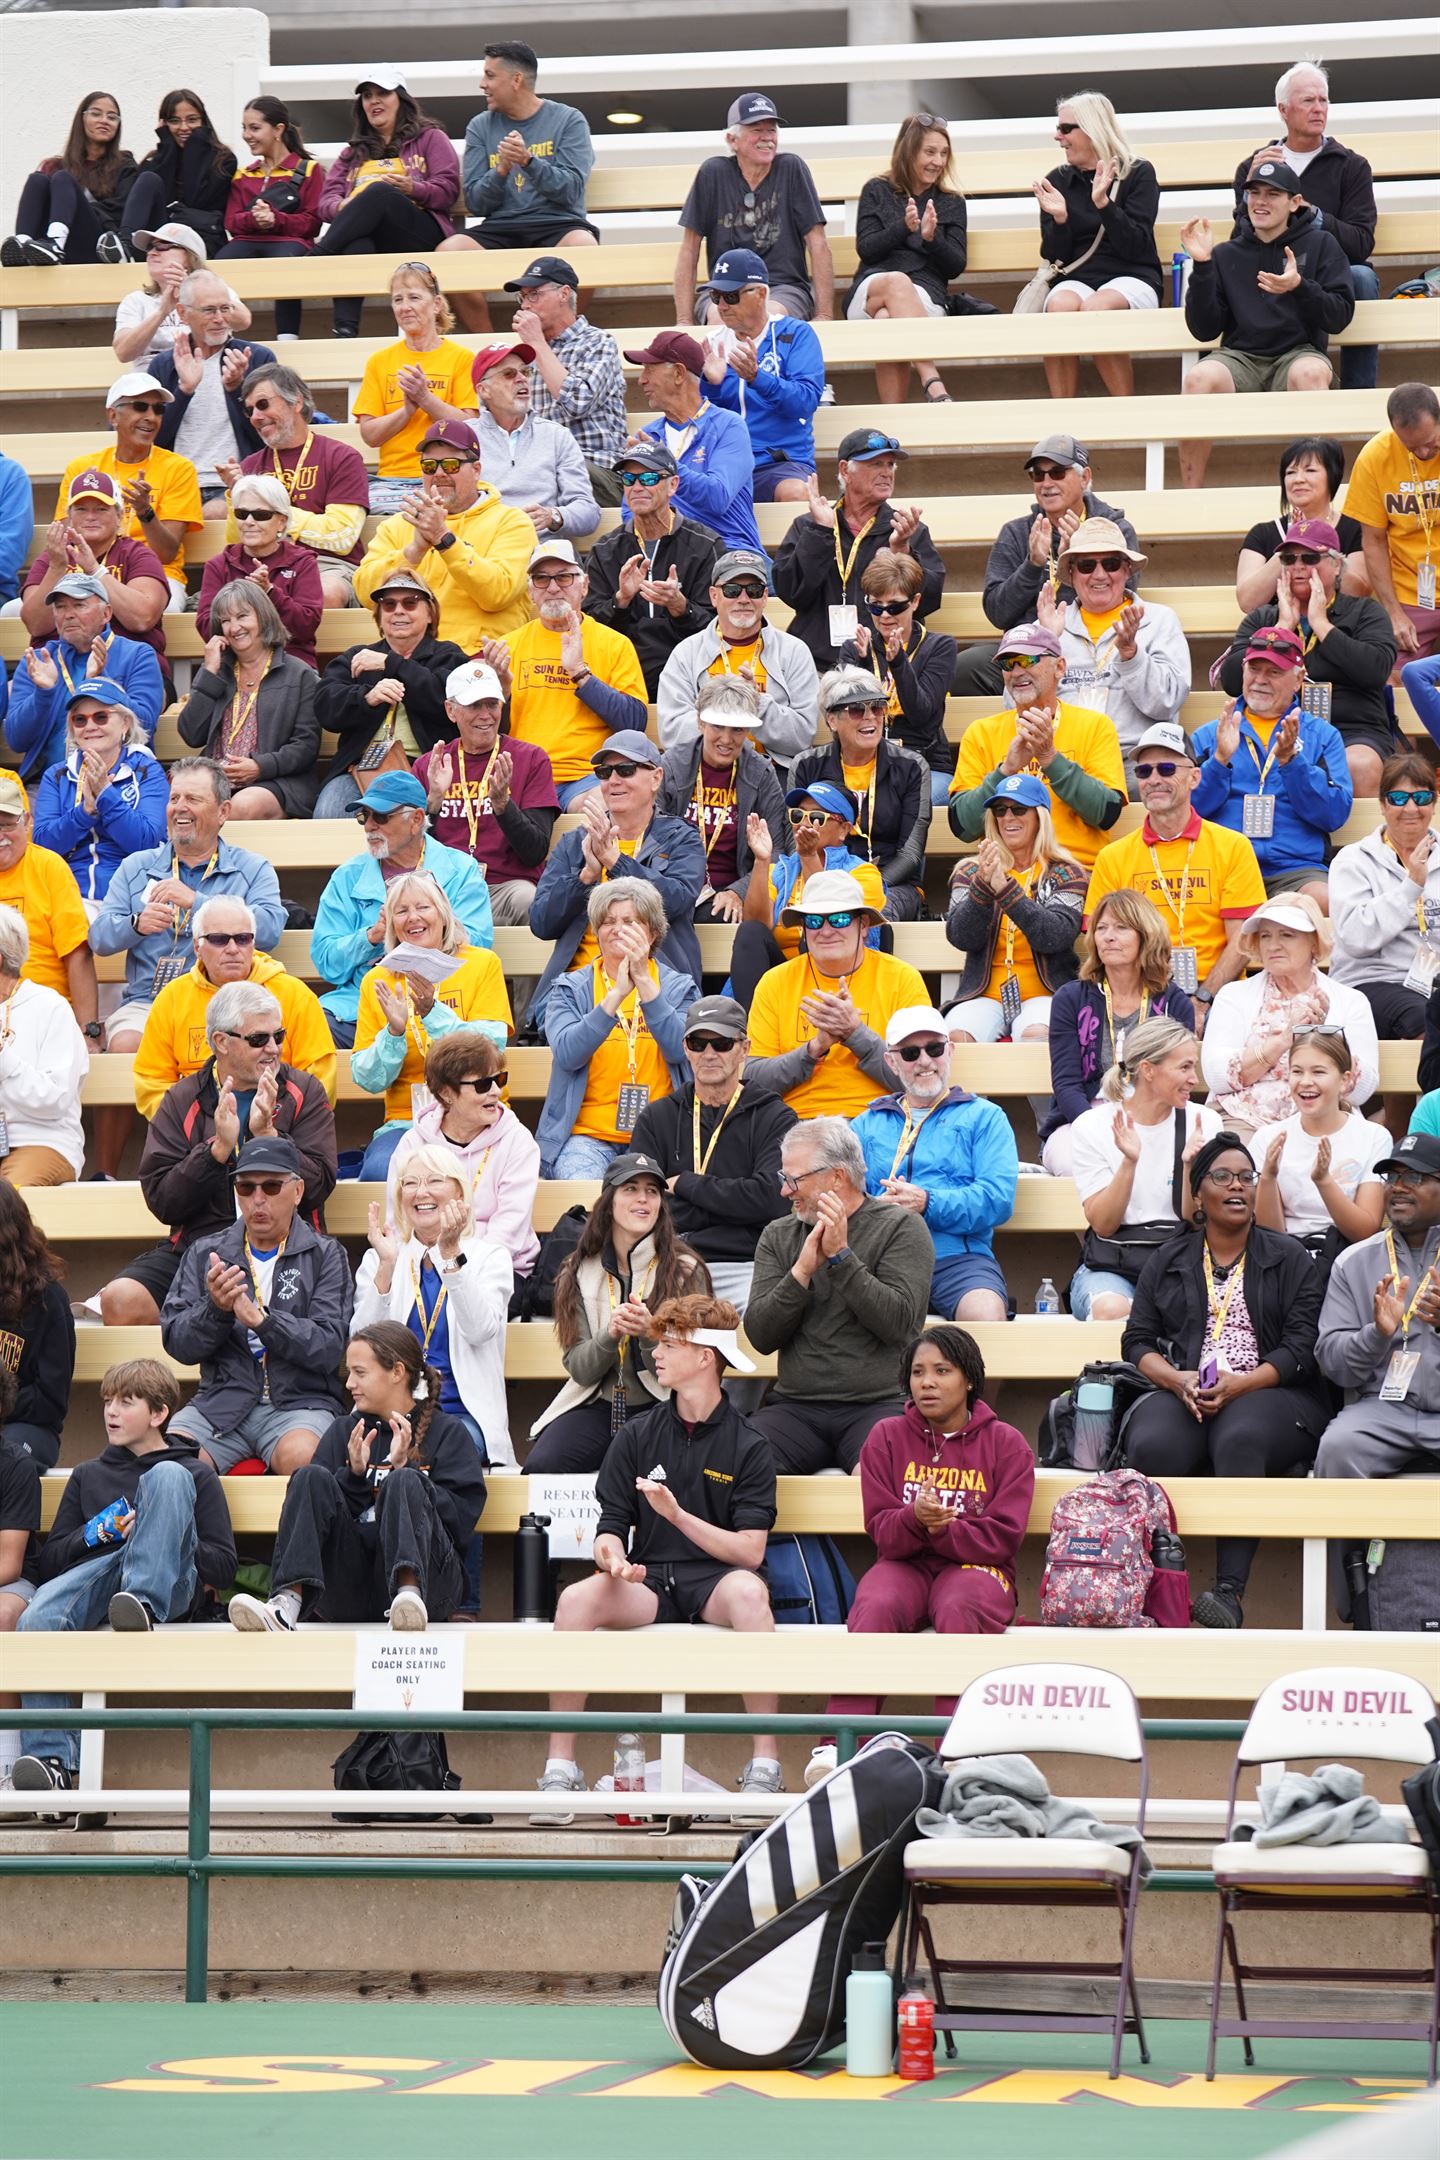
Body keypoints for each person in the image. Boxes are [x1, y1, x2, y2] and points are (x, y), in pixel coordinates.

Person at [534, 1292, 779, 1822]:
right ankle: (560, 1768)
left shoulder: (750, 1444)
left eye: (670, 1344)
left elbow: (749, 1550)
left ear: (706, 1357)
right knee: (575, 1600)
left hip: (718, 1583)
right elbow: (609, 1527)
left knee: (750, 1594)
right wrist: (613, 1560)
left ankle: (765, 1764)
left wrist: (677, 1516)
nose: (657, 1354)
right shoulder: (637, 1433)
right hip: (650, 1583)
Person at [804, 1324, 1035, 1775]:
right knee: (876, 1601)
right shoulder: (886, 1436)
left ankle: (960, 1749)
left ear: (969, 1379)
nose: (927, 1382)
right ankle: (840, 1748)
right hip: (904, 1563)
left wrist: (940, 1528)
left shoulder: (1006, 1444)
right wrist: (915, 1519)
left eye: (942, 1371)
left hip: (977, 1567)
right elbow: (882, 1530)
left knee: (960, 1603)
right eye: (918, 1372)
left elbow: (1003, 1537)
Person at [1123, 1132, 1332, 1628]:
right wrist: (1176, 1380)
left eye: (1245, 1177)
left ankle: (1228, 1593)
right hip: (1188, 1388)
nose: (1237, 1186)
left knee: (1240, 1436)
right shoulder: (1169, 1259)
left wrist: (1242, 1384)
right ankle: (1158, 1583)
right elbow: (1136, 1341)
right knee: (1151, 1443)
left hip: (1273, 1389)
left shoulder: (1289, 1257)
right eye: (1222, 1177)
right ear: (1198, 1194)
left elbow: (1303, 1347)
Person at [11, 1359, 236, 1802]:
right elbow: (50, 1563)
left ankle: (142, 1602)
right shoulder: (88, 1474)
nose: (111, 1411)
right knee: (36, 1618)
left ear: (159, 1413)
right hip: (103, 1583)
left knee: (166, 1477)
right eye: (107, 1401)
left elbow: (224, 1567)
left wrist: (166, 1531)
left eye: (126, 1402)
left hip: (172, 1587)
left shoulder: (194, 1472)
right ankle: (53, 1763)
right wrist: (94, 1533)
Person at [101, 977, 336, 1329]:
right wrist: (216, 1152)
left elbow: (319, 1186)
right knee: (121, 1300)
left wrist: (270, 1136)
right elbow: (163, 1201)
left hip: (288, 1245)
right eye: (258, 1039)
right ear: (221, 1042)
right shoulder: (182, 1098)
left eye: (278, 1036)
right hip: (201, 1246)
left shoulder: (304, 1091)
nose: (273, 1048)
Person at [228, 1321, 485, 1632]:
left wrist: (407, 1470)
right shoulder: (344, 1430)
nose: (349, 1383)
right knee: (309, 1477)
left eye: (360, 1373)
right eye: (349, 1372)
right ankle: (285, 1604)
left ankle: (408, 1596)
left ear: (397, 1372)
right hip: (351, 1588)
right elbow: (319, 1517)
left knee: (403, 1480)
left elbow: (461, 1521)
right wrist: (353, 1476)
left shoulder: (447, 1432)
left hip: (432, 1587)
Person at [746, 1115, 933, 1474]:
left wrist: (841, 1258)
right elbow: (760, 1336)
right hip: (795, 1407)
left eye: (794, 1179)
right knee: (743, 1466)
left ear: (836, 1177)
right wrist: (801, 1273)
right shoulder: (778, 1234)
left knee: (879, 1474)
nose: (785, 1191)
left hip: (880, 1404)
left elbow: (900, 1327)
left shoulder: (901, 1227)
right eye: (784, 1178)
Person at [161, 1135, 353, 1476]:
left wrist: (265, 1323)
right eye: (246, 1187)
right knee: (170, 1463)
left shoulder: (325, 1254)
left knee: (303, 1459)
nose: (258, 1199)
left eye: (272, 1186)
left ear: (297, 1191)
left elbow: (328, 1347)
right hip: (220, 1403)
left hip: (299, 1405)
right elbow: (177, 1342)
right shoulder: (206, 1252)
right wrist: (215, 1310)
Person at [89, 755, 284, 1061]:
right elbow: (99, 938)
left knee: (234, 1044)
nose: (180, 807)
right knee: (126, 1045)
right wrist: (136, 924)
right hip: (150, 1000)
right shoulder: (136, 866)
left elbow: (270, 929)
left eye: (193, 799)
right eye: (174, 798)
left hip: (227, 999)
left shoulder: (252, 868)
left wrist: (198, 903)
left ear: (223, 811)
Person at [526, 1156, 711, 1472]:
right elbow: (581, 1369)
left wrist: (649, 1334)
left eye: (652, 1191)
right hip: (599, 1405)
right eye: (631, 1188)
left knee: (658, 1475)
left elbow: (694, 1368)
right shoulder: (578, 1269)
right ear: (609, 1202)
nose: (643, 1198)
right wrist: (609, 1335)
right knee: (542, 1467)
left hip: (665, 1406)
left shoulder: (685, 1270)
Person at [1179, 163, 1354, 490]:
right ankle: (1191, 495)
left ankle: (1324, 496)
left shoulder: (1321, 243)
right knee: (1198, 378)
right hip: (1240, 358)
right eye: (1254, 193)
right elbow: (1204, 330)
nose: (1260, 201)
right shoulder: (1225, 253)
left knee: (1311, 374)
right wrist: (1202, 267)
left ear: (1295, 202)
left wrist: (1299, 286)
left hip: (1298, 353)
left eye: (1273, 194)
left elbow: (1340, 315)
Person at [1084, 721, 1268, 1020]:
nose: (1154, 779)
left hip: (1218, 993)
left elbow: (1242, 940)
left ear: (1194, 777)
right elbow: (1105, 943)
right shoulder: (1112, 857)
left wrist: (1203, 999)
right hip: (1140, 994)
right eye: (1144, 771)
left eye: (1167, 769)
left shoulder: (1233, 846)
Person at [631, 993, 797, 1312]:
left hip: (747, 1264)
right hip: (672, 1260)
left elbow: (772, 1200)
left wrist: (685, 1185)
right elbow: (641, 1205)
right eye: (698, 1043)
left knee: (770, 1315)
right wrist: (733, 1206)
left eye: (721, 1043)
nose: (709, 1054)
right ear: (685, 1048)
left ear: (744, 1048)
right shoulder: (656, 1118)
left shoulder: (775, 1117)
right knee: (636, 1312)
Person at [853, 1009, 1018, 1322]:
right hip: (878, 1259)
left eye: (935, 1048)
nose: (925, 1061)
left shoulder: (985, 1117)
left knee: (985, 1313)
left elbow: (997, 1199)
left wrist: (927, 1202)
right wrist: (874, 1210)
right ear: (891, 1061)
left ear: (950, 1051)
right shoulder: (865, 1124)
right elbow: (844, 1197)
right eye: (910, 1053)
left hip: (957, 1259)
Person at [312, 770, 494, 1050]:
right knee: (313, 1025)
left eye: (380, 816)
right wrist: (372, 937)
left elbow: (476, 945)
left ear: (417, 820)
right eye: (363, 816)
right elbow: (326, 962)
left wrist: (425, 927)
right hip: (365, 1003)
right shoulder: (347, 876)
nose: (369, 826)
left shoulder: (461, 870)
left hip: (447, 1000)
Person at [355, 1152, 514, 1471]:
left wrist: (451, 1255)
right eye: (410, 1183)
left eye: (434, 1181)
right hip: (388, 1414)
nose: (421, 1192)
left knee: (431, 1454)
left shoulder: (490, 1257)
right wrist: (386, 1268)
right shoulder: (381, 1258)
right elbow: (360, 1346)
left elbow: (480, 1330)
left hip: (461, 1418)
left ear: (459, 1192)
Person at [951, 434, 1142, 699]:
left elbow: (1117, 596)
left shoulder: (1114, 529)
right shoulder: (1017, 532)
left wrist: (1076, 559)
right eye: (1038, 475)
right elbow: (997, 613)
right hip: (1026, 653)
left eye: (1058, 473)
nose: (1047, 483)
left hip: (1091, 647)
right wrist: (1032, 566)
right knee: (963, 668)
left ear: (1085, 477)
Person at [528, 735, 704, 1020]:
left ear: (656, 778)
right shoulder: (574, 844)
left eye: (626, 770)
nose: (613, 780)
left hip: (654, 984)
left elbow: (677, 900)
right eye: (604, 772)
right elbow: (541, 923)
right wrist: (585, 877)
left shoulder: (681, 838)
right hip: (582, 989)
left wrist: (615, 861)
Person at [351, 871, 511, 1183]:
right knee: (379, 1172)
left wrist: (432, 1013)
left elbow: (492, 1048)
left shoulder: (482, 964)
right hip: (406, 1122)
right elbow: (367, 1078)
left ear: (442, 914)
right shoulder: (377, 980)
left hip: (477, 1114)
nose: (413, 918)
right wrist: (394, 1034)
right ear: (392, 924)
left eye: (423, 907)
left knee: (483, 1173)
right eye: (401, 911)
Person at [1233, 61, 1379, 392]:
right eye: (1308, 100)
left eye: (1324, 100)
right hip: (1269, 264)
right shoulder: (1253, 167)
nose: (1319, 108)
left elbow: (1361, 243)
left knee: (1361, 277)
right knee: (1221, 273)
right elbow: (1240, 240)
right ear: (1283, 110)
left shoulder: (1352, 166)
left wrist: (1312, 214)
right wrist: (1250, 194)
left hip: (1328, 268)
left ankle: (1358, 393)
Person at [1220, 518, 1397, 792]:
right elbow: (1232, 680)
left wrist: (1321, 625)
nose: (1298, 566)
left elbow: (1375, 670)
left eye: (1310, 557)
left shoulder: (1364, 612)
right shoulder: (1264, 619)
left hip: (1351, 729)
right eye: (1289, 559)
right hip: (1274, 727)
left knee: (1359, 765)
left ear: (1336, 565)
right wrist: (1281, 629)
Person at [537, 882, 697, 1180]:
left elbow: (682, 1049)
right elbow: (568, 1054)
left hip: (662, 1136)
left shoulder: (679, 987)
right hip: (588, 1137)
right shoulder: (569, 989)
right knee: (582, 1196)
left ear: (652, 933)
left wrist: (644, 983)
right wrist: (615, 997)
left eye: (629, 922)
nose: (617, 929)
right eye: (608, 922)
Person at [440, 42, 598, 336]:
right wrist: (501, 170)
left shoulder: (568, 119)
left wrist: (528, 161)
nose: (482, 84)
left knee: (585, 248)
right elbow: (476, 202)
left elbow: (571, 190)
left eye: (490, 75)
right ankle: (491, 346)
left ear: (516, 80)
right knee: (448, 251)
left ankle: (564, 337)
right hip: (501, 227)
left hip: (557, 224)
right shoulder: (480, 126)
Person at [131, 893, 335, 1121]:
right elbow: (151, 1082)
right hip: (197, 1128)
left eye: (242, 938)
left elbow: (320, 1079)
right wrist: (196, 1127)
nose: (232, 948)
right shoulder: (172, 999)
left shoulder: (294, 994)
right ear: (197, 947)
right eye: (219, 939)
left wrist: (273, 1123)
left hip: (279, 1124)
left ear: (253, 943)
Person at [1069, 1016, 1219, 1321]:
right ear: (1148, 1070)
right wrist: (1129, 1162)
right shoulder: (1092, 1125)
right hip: (1111, 1266)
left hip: (1181, 1263)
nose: (1194, 1079)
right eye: (1184, 1067)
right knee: (1111, 1310)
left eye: (1194, 1067)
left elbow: (1197, 1221)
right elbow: (1103, 1224)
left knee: (1191, 1309)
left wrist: (1189, 1166)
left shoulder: (1204, 1122)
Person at [1189, 624, 1352, 905]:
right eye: (1254, 669)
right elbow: (1187, 810)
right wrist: (1219, 762)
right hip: (1225, 866)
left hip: (1295, 870)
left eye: (1274, 672)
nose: (1260, 680)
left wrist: (1293, 763)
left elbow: (1333, 814)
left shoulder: (1323, 736)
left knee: (1326, 902)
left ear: (1298, 679)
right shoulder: (1210, 735)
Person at [745, 869, 927, 1117]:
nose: (826, 930)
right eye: (814, 921)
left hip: (879, 1119)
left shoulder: (902, 979)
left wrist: (855, 1033)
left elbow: (920, 1078)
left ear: (864, 925)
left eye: (839, 919)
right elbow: (753, 1081)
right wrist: (815, 1048)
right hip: (795, 1122)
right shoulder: (774, 982)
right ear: (804, 929)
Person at [1313, 1129, 1440, 1477]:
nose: (1398, 1187)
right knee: (1338, 1448)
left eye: (1414, 1177)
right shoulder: (1353, 1261)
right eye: (1392, 1178)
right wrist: (1376, 1335)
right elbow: (1334, 1364)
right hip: (1383, 1411)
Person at [1042, 889, 1195, 1176]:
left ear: (1146, 936)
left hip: (1154, 1117)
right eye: (1101, 928)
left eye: (1121, 927)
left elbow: (1176, 1078)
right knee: (1078, 1165)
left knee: (1163, 1166)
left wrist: (1142, 1124)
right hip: (1082, 1120)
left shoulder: (1174, 1002)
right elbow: (1066, 1084)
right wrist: (1095, 1129)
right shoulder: (1071, 998)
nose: (1108, 937)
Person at [1201, 895, 1379, 1141]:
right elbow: (1217, 1076)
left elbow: (1361, 1091)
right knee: (1235, 1157)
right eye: (1265, 936)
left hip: (1323, 1120)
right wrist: (1284, 1040)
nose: (1273, 945)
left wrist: (1325, 1036)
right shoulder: (1233, 995)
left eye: (1286, 935)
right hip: (1242, 1118)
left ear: (1314, 942)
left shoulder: (1351, 1000)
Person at [947, 623, 1125, 869]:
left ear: (1059, 667)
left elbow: (1105, 813)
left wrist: (1050, 759)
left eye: (1028, 660)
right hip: (1004, 871)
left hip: (1072, 868)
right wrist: (1005, 771)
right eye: (1008, 663)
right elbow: (963, 826)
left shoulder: (1094, 726)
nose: (1017, 671)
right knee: (963, 878)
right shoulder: (981, 732)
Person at [353, 417, 535, 652]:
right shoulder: (398, 525)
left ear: (476, 470)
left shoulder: (512, 521)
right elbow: (365, 594)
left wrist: (444, 539)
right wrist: (413, 552)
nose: (439, 473)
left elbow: (497, 594)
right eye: (430, 466)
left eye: (451, 465)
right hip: (407, 656)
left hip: (477, 656)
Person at [771, 429, 945, 668]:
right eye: (876, 464)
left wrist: (902, 552)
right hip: (819, 666)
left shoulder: (906, 529)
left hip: (886, 665)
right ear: (845, 470)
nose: (886, 472)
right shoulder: (810, 526)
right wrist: (821, 533)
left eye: (890, 465)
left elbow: (929, 600)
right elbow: (792, 592)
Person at [494, 540, 648, 804]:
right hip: (521, 777)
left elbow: (634, 722)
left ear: (584, 585)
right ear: (530, 591)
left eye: (564, 577)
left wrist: (580, 674)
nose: (553, 587)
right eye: (541, 579)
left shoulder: (614, 644)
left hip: (585, 778)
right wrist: (503, 692)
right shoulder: (506, 647)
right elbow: (486, 731)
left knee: (603, 807)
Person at [1033, 90, 1162, 400]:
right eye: (1058, 128)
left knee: (1096, 308)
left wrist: (1104, 205)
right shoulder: (1057, 180)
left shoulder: (1138, 173)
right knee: (1059, 307)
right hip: (1078, 278)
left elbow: (1136, 247)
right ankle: (1063, 416)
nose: (1058, 137)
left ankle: (1125, 408)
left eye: (1066, 129)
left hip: (1132, 275)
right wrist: (1060, 220)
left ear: (1092, 130)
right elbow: (1055, 256)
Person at [1037, 521, 1192, 778]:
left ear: (1127, 570)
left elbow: (1167, 702)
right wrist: (1046, 648)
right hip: (1063, 761)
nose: (1099, 575)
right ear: (1072, 573)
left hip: (1134, 763)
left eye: (1111, 564)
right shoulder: (1046, 627)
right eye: (1087, 566)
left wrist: (1132, 655)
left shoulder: (1160, 620)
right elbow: (1017, 709)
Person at [312, 73, 460, 339]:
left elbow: (448, 189)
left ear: (401, 98)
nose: (374, 101)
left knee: (379, 191)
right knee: (357, 244)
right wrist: (344, 205)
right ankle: (345, 330)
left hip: (418, 233)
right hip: (371, 236)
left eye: (383, 93)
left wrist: (413, 188)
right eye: (367, 96)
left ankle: (316, 257)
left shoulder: (430, 137)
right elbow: (325, 204)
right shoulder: (352, 153)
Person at [412, 659, 559, 925]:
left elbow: (535, 851)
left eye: (492, 704)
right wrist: (433, 803)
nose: (486, 715)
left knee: (528, 900)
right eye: (474, 705)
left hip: (505, 887)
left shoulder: (531, 758)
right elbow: (411, 853)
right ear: (451, 710)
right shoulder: (429, 765)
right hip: (444, 889)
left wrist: (503, 806)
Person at [313, 570, 468, 821]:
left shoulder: (448, 656)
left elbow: (445, 701)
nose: (398, 611)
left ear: (430, 614)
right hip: (361, 769)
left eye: (410, 603)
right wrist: (367, 698)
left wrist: (391, 664)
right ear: (379, 615)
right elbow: (325, 705)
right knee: (329, 810)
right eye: (389, 604)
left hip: (426, 770)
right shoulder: (358, 656)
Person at [945, 775, 1087, 1045]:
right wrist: (983, 887)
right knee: (957, 1038)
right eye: (1000, 810)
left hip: (1046, 994)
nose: (1008, 817)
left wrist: (1005, 891)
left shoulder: (1067, 873)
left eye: (1019, 809)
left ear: (1039, 817)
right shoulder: (971, 871)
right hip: (984, 996)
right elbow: (961, 937)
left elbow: (1055, 936)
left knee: (1037, 1036)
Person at [389, 1032, 542, 1285]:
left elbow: (508, 1230)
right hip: (425, 1269)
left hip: (497, 1270)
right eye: (483, 1085)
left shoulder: (518, 1140)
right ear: (446, 1093)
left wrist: (459, 1270)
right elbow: (398, 1221)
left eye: (499, 1080)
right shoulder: (413, 1143)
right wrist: (434, 1266)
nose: (496, 1091)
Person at [676, 91, 833, 325]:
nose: (767, 137)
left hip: (782, 288)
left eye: (772, 130)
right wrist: (684, 321)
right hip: (724, 288)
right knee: (720, 318)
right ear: (732, 140)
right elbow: (689, 248)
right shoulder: (713, 172)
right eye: (757, 130)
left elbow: (818, 243)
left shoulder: (791, 168)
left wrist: (824, 315)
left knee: (767, 317)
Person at [848, 115, 971, 405]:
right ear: (909, 151)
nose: (938, 161)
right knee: (896, 282)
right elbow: (867, 250)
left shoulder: (952, 202)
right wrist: (904, 227)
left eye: (944, 153)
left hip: (925, 299)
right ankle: (931, 378)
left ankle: (893, 418)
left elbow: (955, 266)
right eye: (930, 152)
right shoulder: (876, 190)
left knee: (886, 318)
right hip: (870, 292)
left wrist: (932, 238)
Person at [656, 548, 819, 764]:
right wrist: (729, 715)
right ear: (714, 596)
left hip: (773, 769)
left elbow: (802, 736)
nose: (743, 599)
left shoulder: (794, 651)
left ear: (765, 596)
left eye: (753, 590)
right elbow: (672, 732)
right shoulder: (686, 653)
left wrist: (758, 703)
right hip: (705, 771)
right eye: (732, 590)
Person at [790, 669, 931, 918]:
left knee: (875, 911)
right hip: (819, 874)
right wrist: (828, 885)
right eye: (856, 710)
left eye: (877, 708)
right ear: (832, 720)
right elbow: (794, 841)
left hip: (890, 881)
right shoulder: (806, 766)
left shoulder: (911, 767)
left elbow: (910, 853)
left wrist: (866, 887)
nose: (870, 717)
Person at [176, 577, 320, 819]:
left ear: (263, 616)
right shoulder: (217, 671)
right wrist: (209, 672)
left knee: (239, 807)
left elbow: (305, 746)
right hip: (216, 780)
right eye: (225, 621)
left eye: (242, 616)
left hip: (277, 781)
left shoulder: (299, 674)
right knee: (176, 805)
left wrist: (260, 767)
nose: (234, 628)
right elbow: (191, 734)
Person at [731, 779, 885, 1006]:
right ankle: (752, 1023)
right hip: (780, 975)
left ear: (843, 830)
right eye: (798, 815)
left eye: (816, 817)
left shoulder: (863, 873)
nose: (804, 823)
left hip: (838, 975)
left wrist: (809, 857)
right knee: (749, 932)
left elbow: (828, 920)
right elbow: (756, 923)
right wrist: (762, 861)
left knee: (814, 928)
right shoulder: (780, 870)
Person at [56, 372, 203, 607]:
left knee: (167, 608)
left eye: (158, 409)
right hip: (87, 569)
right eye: (140, 407)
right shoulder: (82, 468)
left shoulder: (178, 468)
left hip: (153, 573)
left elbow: (166, 553)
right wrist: (87, 507)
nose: (151, 417)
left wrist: (145, 511)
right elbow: (67, 540)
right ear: (113, 415)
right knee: (12, 610)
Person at [584, 446, 722, 693]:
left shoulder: (705, 544)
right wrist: (620, 602)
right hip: (621, 676)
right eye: (629, 479)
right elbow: (589, 628)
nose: (637, 487)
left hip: (690, 674)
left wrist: (681, 607)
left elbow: (720, 628)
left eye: (648, 478)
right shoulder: (605, 550)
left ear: (672, 485)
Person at [231, 362, 371, 607]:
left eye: (263, 404)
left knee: (322, 594)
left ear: (296, 402)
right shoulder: (249, 465)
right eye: (249, 410)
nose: (255, 417)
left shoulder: (341, 457)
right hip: (263, 565)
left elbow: (342, 537)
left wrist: (273, 515)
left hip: (326, 565)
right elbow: (236, 542)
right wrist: (231, 495)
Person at [5, 569, 164, 784]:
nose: (68, 614)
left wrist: (102, 681)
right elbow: (16, 740)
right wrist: (43, 694)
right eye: (60, 607)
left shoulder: (137, 654)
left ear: (106, 613)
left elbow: (144, 726)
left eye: (79, 605)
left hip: (120, 779)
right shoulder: (38, 660)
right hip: (49, 784)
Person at [352, 261, 480, 518]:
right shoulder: (379, 361)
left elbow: (471, 428)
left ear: (436, 304)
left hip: (447, 476)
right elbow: (370, 435)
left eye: (414, 297)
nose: (405, 307)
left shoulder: (462, 358)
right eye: (397, 299)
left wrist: (424, 398)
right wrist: (407, 411)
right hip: (391, 481)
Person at [1329, 751, 1440, 1046]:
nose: (1411, 808)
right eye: (1399, 798)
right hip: (1370, 981)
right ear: (1382, 804)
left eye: (1422, 797)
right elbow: (1356, 938)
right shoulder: (1353, 860)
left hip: (1433, 982)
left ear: (1434, 803)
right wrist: (1411, 886)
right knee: (1425, 1018)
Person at [658, 678, 789, 926]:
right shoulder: (672, 766)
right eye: (718, 726)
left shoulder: (761, 773)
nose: (727, 739)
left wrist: (739, 891)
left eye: (737, 729)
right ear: (700, 722)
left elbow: (777, 852)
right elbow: (651, 839)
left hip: (732, 888)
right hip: (675, 883)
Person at [624, 332, 765, 558]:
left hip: (729, 552)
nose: (641, 380)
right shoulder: (648, 435)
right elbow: (629, 511)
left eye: (649, 370)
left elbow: (717, 498)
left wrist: (665, 465)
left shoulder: (728, 425)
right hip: (667, 554)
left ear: (679, 374)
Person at [699, 249, 824, 502]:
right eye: (716, 296)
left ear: (761, 294)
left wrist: (757, 378)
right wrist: (712, 387)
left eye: (731, 296)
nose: (722, 306)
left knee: (796, 494)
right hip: (725, 464)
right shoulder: (712, 343)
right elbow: (700, 422)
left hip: (778, 463)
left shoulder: (796, 334)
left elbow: (805, 402)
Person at [21, 470, 169, 681]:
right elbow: (35, 625)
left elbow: (142, 619)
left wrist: (95, 570)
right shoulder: (53, 557)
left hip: (127, 670)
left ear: (119, 516)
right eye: (81, 509)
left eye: (101, 509)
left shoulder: (138, 554)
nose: (90, 517)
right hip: (57, 670)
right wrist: (56, 568)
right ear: (69, 517)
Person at [149, 272, 277, 514]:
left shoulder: (258, 358)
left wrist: (236, 389)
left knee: (214, 513)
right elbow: (155, 438)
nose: (219, 319)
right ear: (183, 313)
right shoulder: (164, 365)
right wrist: (184, 390)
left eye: (225, 309)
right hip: (176, 485)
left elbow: (269, 436)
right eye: (209, 310)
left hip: (237, 483)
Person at [32, 680, 167, 908]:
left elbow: (147, 842)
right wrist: (85, 812)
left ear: (125, 723)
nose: (90, 726)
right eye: (80, 719)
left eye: (101, 717)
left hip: (133, 894)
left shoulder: (146, 770)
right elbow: (44, 846)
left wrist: (106, 795)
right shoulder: (57, 775)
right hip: (70, 894)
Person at [1253, 1029, 1389, 1252]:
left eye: (1318, 1072)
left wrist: (1323, 1180)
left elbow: (1365, 1232)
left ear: (1345, 1080)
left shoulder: (1374, 1137)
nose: (1305, 1082)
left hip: (1346, 1255)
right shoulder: (1267, 1138)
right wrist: (1268, 1177)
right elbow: (1270, 1239)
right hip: (1287, 1257)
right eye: (1297, 1072)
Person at [840, 549, 957, 801]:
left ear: (915, 602)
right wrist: (862, 666)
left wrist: (899, 664)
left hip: (925, 764)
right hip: (865, 763)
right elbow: (847, 718)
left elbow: (921, 715)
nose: (884, 615)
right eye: (876, 606)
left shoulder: (939, 646)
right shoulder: (856, 648)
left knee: (900, 802)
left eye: (895, 607)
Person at [506, 256, 629, 488]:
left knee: (555, 471)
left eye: (534, 294)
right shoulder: (526, 355)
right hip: (542, 469)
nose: (525, 306)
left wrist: (537, 343)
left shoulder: (598, 342)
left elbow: (577, 402)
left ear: (564, 294)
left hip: (596, 468)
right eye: (522, 297)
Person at [1344, 383, 1440, 664]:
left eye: (1430, 441)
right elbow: (1373, 540)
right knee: (1392, 674)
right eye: (1412, 446)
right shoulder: (1375, 457)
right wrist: (1393, 611)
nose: (1423, 452)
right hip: (1409, 591)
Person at [217, 96, 325, 343]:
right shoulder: (243, 174)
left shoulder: (309, 169)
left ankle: (288, 339)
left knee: (286, 264)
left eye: (255, 128)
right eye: (244, 128)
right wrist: (256, 220)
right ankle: (222, 335)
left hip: (289, 243)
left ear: (278, 130)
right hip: (246, 241)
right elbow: (231, 222)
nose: (247, 135)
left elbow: (312, 222)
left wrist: (276, 220)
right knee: (219, 265)